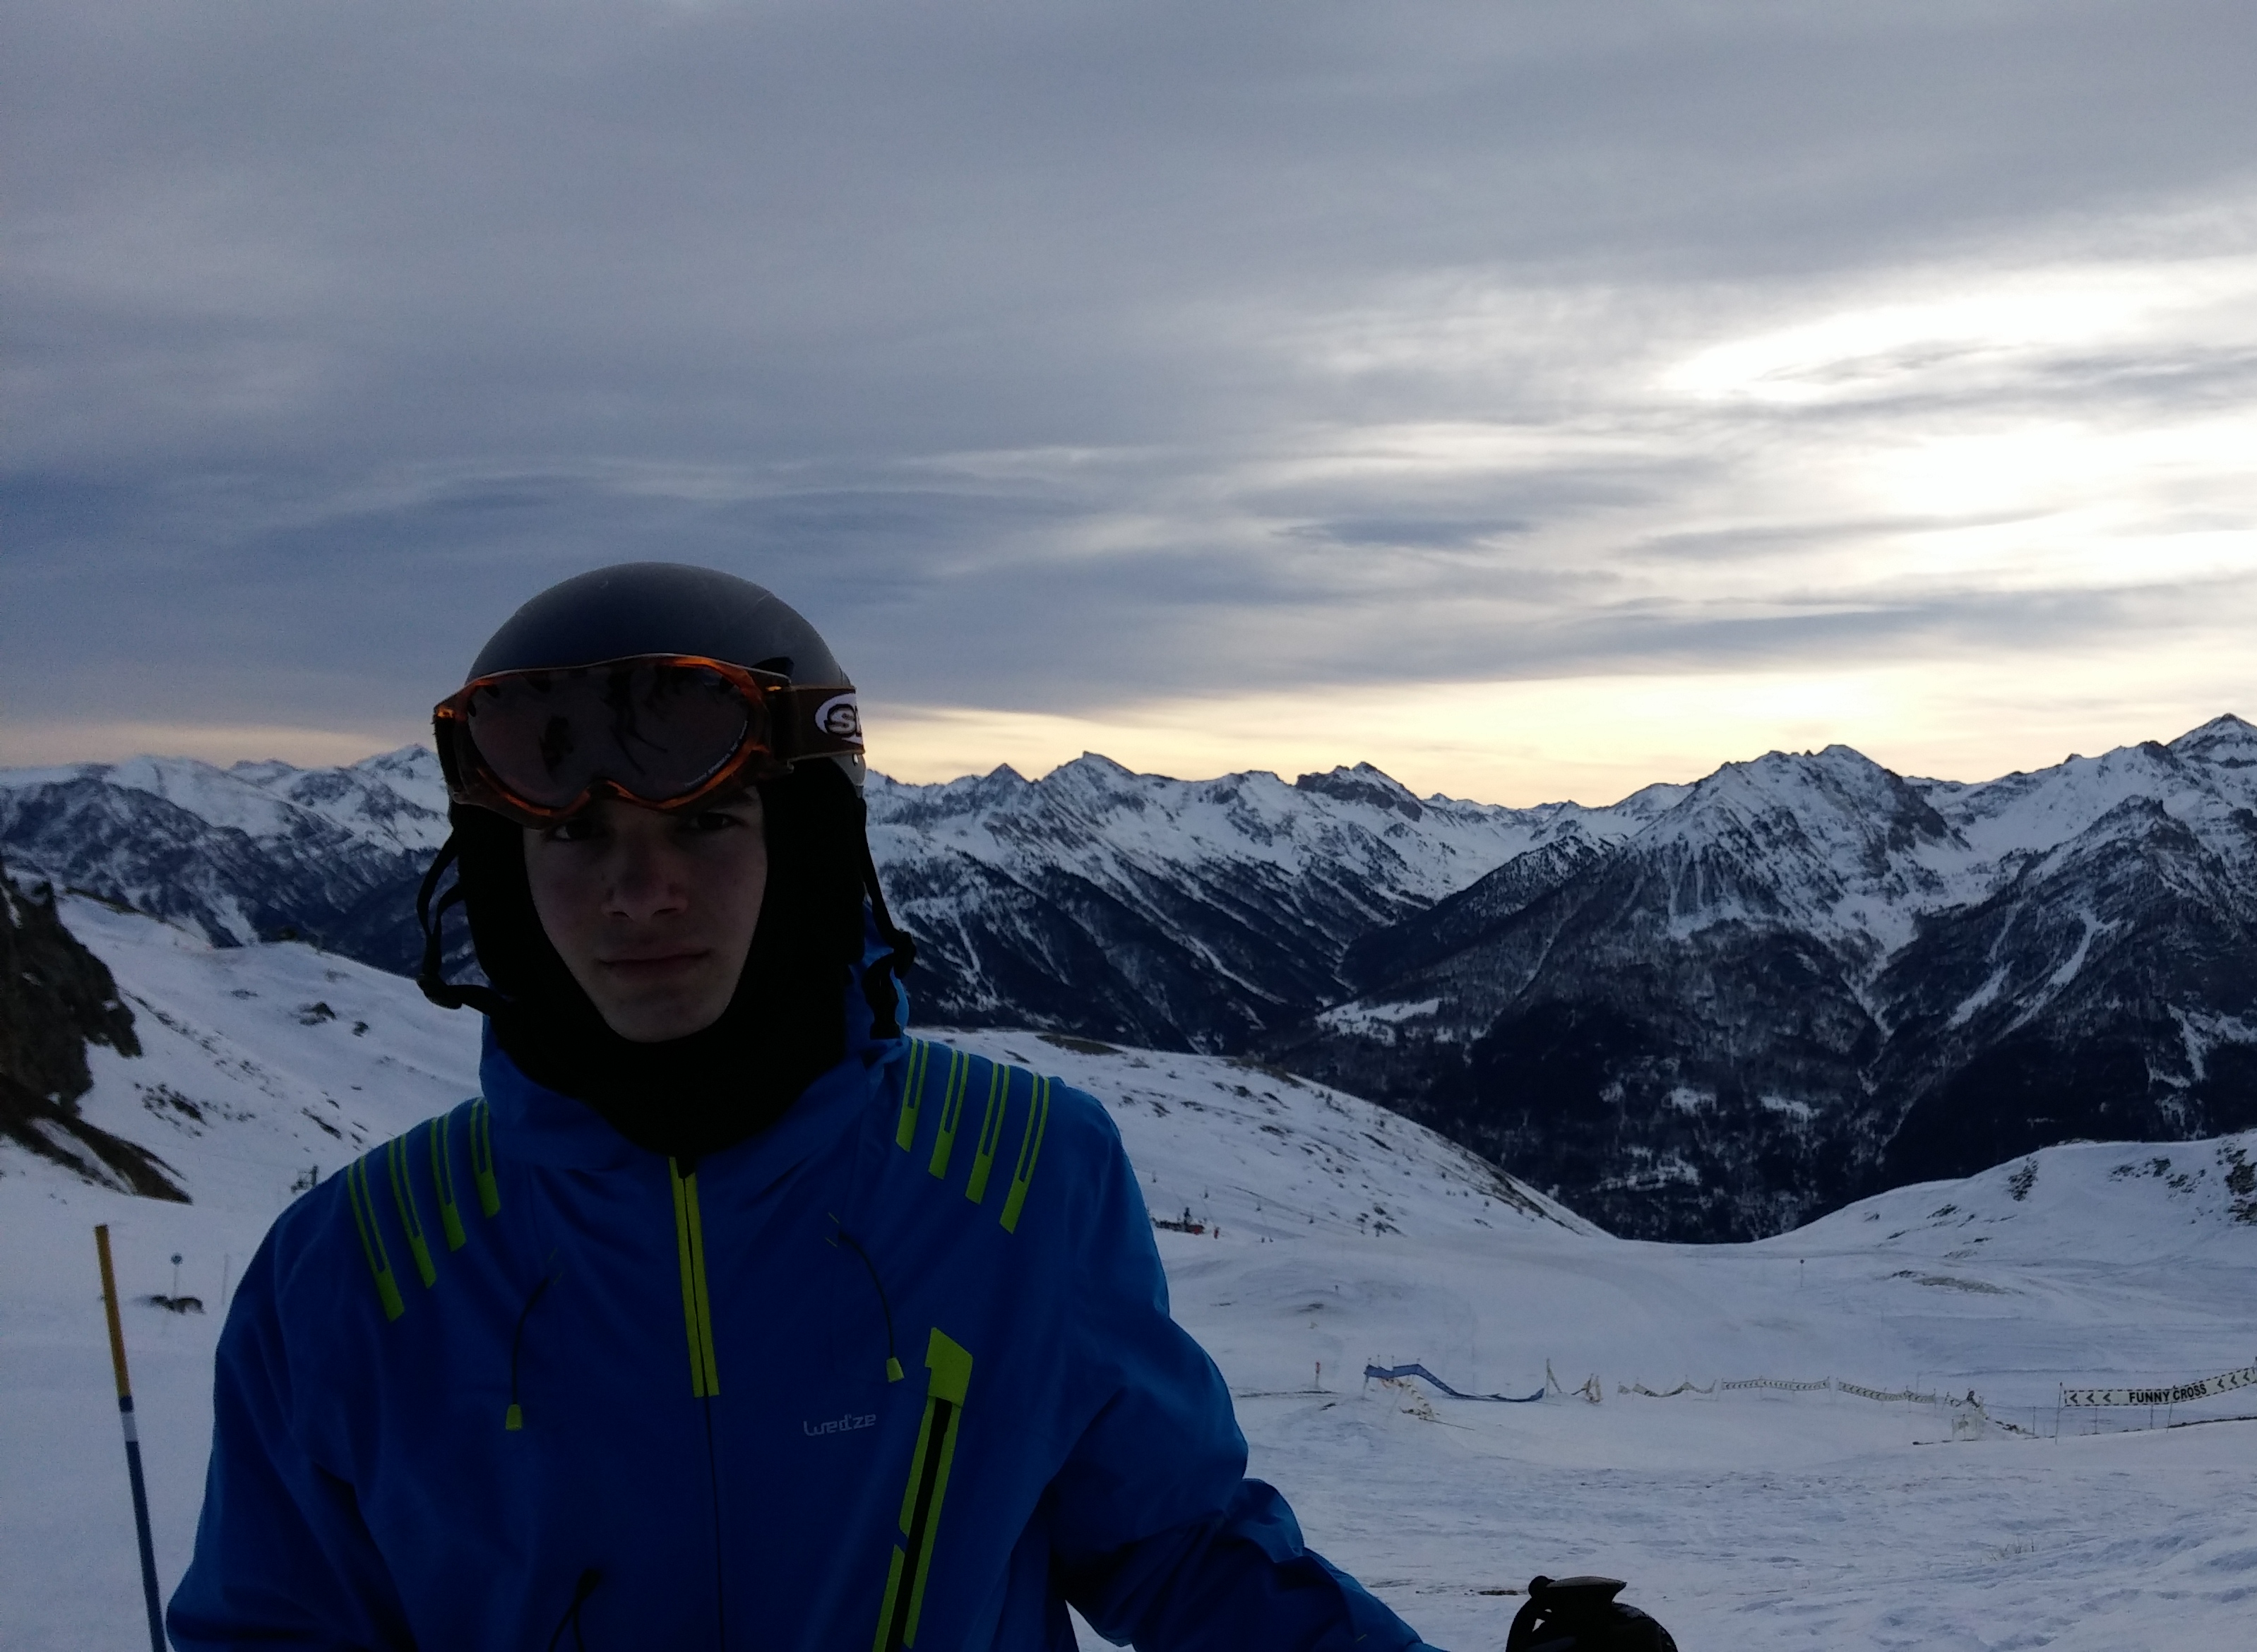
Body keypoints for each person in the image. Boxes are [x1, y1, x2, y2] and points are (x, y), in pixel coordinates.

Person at [168, 563, 1437, 1651]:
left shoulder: (1023, 1180)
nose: (640, 892)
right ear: (505, 877)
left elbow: (1177, 1547)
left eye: (706, 822)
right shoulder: (355, 1271)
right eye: (574, 839)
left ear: (809, 851)